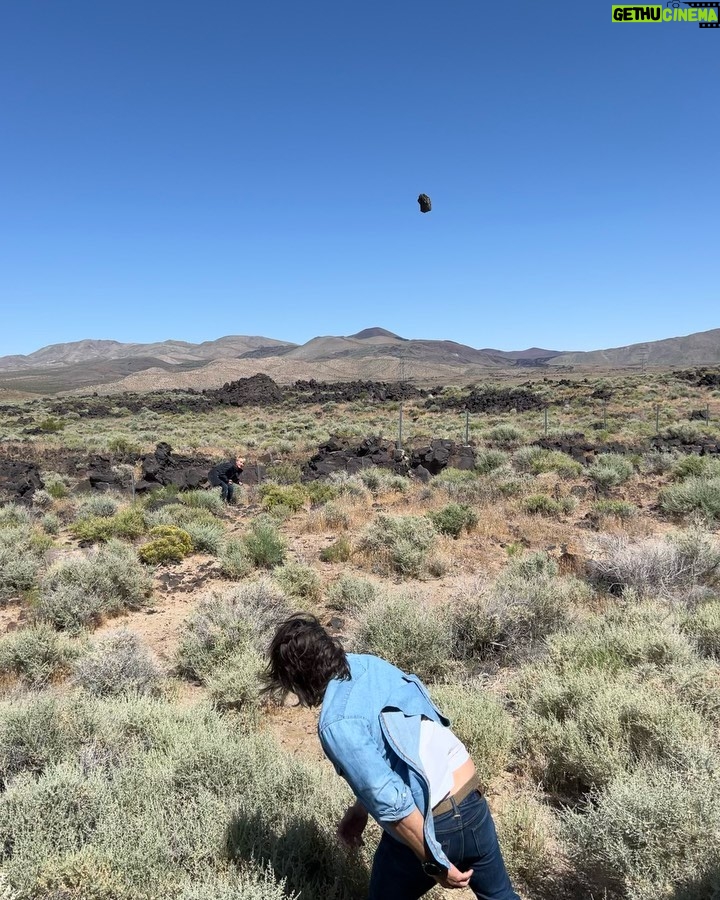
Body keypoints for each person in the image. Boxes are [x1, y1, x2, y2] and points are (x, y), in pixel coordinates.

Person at [263, 614, 521, 900]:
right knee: (501, 896)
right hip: (472, 799)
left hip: (433, 822)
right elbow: (397, 748)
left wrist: (433, 861)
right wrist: (360, 811)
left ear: (296, 676)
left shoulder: (335, 723)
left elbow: (390, 799)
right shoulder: (370, 666)